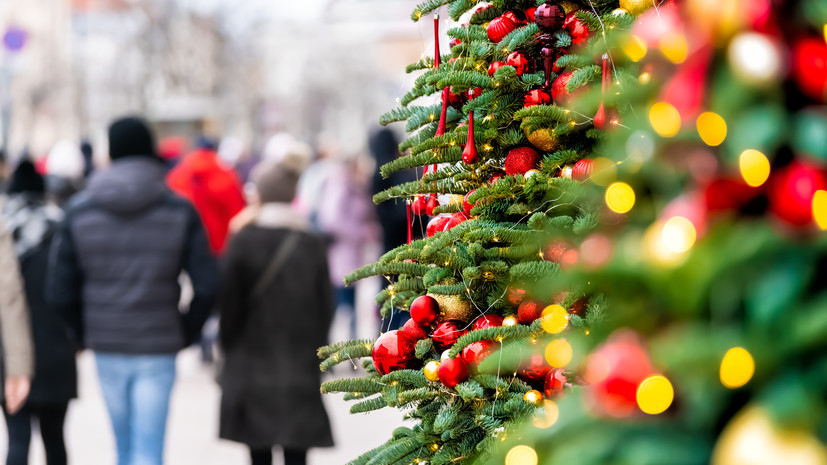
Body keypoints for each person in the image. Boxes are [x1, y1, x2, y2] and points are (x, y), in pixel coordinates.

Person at [47, 116, 220, 465]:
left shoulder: (80, 211)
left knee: (123, 447)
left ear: (110, 152)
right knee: (148, 449)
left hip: (107, 342)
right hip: (158, 344)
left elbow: (58, 290)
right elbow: (207, 283)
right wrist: (185, 331)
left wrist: (83, 334)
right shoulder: (179, 208)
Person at [218, 149, 334, 465]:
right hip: (298, 359)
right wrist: (320, 351)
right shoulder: (310, 241)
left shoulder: (244, 239)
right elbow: (326, 304)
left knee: (258, 449)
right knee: (298, 449)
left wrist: (226, 347)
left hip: (252, 360)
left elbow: (229, 305)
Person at [3, 160, 76, 465]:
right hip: (57, 350)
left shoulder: (6, 230)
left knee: (18, 440)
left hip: (11, 352)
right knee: (55, 439)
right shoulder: (63, 228)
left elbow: (7, 296)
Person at [167, 136, 246, 254]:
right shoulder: (226, 176)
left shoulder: (176, 176)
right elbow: (237, 213)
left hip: (183, 244)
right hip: (219, 246)